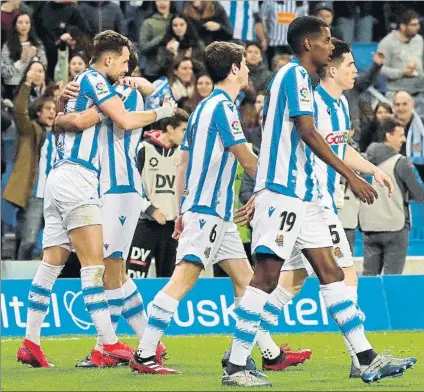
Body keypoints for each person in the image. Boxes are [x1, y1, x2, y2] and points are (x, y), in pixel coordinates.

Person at [223, 17, 415, 387]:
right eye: (327, 41)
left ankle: (366, 358)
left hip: (306, 199)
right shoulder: (293, 76)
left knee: (333, 275)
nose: (332, 46)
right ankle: (235, 365)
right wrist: (352, 175)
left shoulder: (308, 85)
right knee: (266, 278)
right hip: (282, 193)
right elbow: (308, 133)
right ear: (308, 45)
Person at [16, 30, 176, 368]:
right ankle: (113, 344)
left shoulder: (110, 89)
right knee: (101, 269)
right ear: (109, 59)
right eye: (122, 62)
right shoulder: (97, 85)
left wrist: (64, 112)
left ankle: (50, 342)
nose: (125, 70)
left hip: (97, 183)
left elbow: (87, 117)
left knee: (87, 268)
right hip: (85, 180)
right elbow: (115, 117)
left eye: (129, 67)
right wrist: (64, 112)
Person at [129, 41, 258, 375]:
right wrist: (278, 185)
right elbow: (246, 159)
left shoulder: (201, 108)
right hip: (209, 210)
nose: (247, 69)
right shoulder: (224, 109)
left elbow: (183, 163)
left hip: (211, 212)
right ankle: (144, 353)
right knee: (182, 279)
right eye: (243, 63)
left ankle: (241, 356)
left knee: (246, 281)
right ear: (233, 69)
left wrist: (184, 209)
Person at [128, 109, 189, 279]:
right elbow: (132, 186)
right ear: (170, 128)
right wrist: (150, 209)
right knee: (135, 275)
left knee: (169, 279)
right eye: (184, 130)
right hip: (145, 224)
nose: (187, 135)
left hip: (172, 228)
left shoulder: (184, 154)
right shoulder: (143, 149)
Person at [3, 72, 56, 260]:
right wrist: (26, 84)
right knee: (29, 241)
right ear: (39, 112)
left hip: (57, 198)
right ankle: (20, 274)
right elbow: (19, 112)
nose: (51, 112)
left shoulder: (63, 134)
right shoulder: (31, 131)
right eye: (47, 108)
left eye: (54, 109)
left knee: (55, 244)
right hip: (37, 196)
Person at [360, 118, 424, 275]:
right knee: (392, 281)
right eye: (401, 135)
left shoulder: (362, 162)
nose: (403, 139)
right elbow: (420, 194)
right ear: (389, 136)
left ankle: (367, 301)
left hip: (369, 227)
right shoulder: (402, 163)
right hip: (396, 228)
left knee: (369, 279)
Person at [378, 9, 424, 119]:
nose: (417, 27)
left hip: (419, 94)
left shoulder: (419, 39)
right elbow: (380, 69)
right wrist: (401, 72)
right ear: (403, 26)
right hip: (396, 96)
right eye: (413, 25)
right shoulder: (387, 43)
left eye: (418, 24)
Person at [1, 12, 47, 99]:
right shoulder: (7, 46)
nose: (24, 25)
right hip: (13, 87)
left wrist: (34, 59)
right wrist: (20, 62)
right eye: (20, 22)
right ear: (15, 25)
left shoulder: (37, 44)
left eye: (27, 22)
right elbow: (4, 73)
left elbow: (44, 66)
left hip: (34, 86)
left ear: (30, 25)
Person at [260, 0, 308, 68]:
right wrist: (264, 37)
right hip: (274, 43)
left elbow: (305, 21)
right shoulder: (270, 1)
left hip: (292, 44)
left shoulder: (302, 1)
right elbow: (262, 17)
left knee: (292, 70)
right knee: (274, 70)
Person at [138, 0, 174, 82]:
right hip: (153, 72)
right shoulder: (148, 22)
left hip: (174, 70)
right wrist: (161, 38)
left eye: (165, 1)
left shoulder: (177, 20)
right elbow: (143, 47)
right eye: (158, 0)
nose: (162, 3)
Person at [392, 90, 424, 181]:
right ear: (393, 107)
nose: (401, 108)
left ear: (412, 105)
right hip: (395, 176)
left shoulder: (422, 125)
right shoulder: (387, 125)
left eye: (404, 104)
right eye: (397, 105)